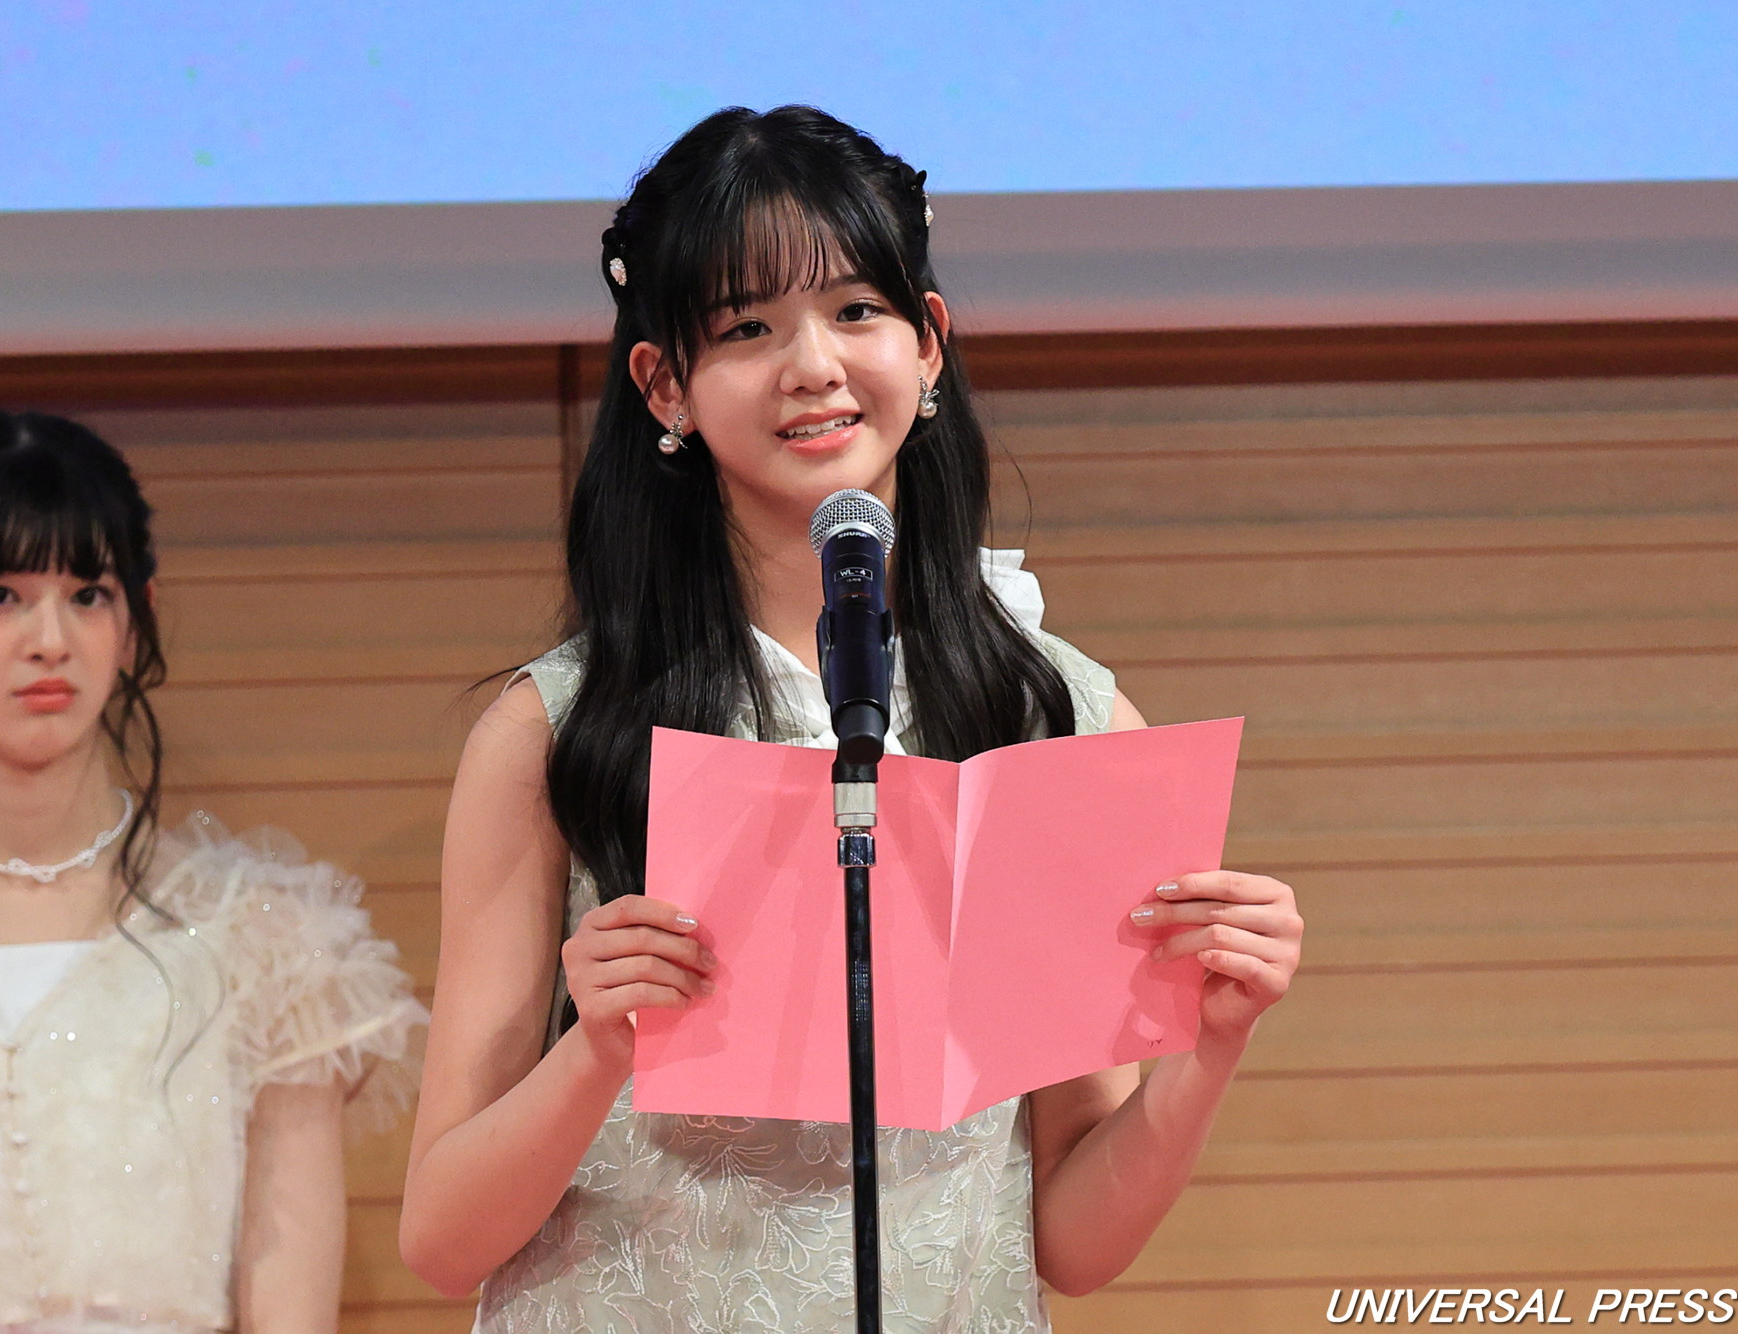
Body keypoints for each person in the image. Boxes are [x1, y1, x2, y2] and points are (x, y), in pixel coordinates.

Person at [400, 105, 1304, 1331]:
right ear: (663, 383)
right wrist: (597, 1048)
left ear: (926, 344)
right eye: (746, 327)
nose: (812, 364)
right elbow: (440, 1238)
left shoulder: (1056, 715)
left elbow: (1072, 1242)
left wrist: (1208, 1048)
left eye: (855, 310)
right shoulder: (558, 728)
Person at [0, 410, 426, 1334]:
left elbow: (290, 1314)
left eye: (87, 595)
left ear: (135, 620)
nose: (50, 640)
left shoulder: (262, 946)